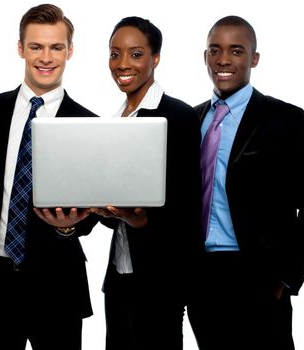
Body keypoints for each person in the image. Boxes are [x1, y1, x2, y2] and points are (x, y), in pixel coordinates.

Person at [0, 4, 98, 350]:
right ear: (20, 49)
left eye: (56, 47)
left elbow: (89, 216)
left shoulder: (88, 124)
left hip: (58, 285)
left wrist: (69, 225)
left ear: (69, 51)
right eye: (36, 47)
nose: (45, 57)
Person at [186, 15, 304, 350]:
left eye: (236, 51)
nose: (223, 59)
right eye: (215, 50)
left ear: (254, 59)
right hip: (201, 276)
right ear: (205, 57)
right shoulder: (191, 120)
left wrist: (284, 277)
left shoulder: (283, 119)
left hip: (257, 276)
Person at [91, 16, 204, 350]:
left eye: (135, 54)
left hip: (161, 280)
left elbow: (187, 202)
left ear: (155, 58)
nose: (122, 64)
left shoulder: (177, 116)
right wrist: (98, 210)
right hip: (120, 276)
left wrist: (145, 220)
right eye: (115, 54)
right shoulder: (114, 121)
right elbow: (117, 202)